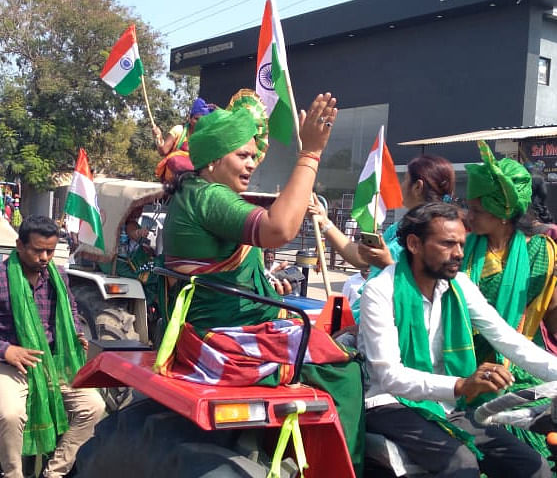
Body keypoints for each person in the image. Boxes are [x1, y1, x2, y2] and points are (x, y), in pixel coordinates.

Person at [160, 91, 367, 472]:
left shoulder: (195, 194)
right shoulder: (209, 197)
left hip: (222, 322)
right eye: (242, 155)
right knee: (343, 368)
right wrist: (311, 154)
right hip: (220, 336)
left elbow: (229, 267)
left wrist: (268, 291)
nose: (252, 163)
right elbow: (279, 229)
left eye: (254, 156)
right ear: (212, 161)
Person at [359, 202, 556, 477]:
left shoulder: (459, 285)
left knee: (532, 466)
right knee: (461, 465)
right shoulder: (380, 290)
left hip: (449, 405)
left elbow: (507, 339)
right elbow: (390, 376)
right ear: (415, 244)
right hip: (392, 404)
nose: (459, 254)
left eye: (462, 244)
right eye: (448, 244)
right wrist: (462, 384)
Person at [0, 215, 104, 478]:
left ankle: (54, 472)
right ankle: (13, 474)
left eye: (50, 251)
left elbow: (70, 308)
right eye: (37, 250)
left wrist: (76, 333)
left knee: (94, 407)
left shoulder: (58, 277)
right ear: (19, 245)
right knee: (10, 414)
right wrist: (5, 350)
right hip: (6, 363)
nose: (44, 258)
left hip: (53, 361)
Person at [461, 141, 557, 461]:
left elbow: (552, 316)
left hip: (518, 367)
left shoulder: (541, 253)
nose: (467, 215)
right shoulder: (458, 249)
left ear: (502, 213)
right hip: (462, 365)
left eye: (476, 210)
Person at [311, 154, 456, 319]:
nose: (401, 186)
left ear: (418, 187)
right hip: (366, 317)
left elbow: (426, 293)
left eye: (405, 180)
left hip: (394, 328)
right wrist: (324, 222)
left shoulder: (440, 238)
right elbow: (361, 258)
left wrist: (387, 264)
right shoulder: (398, 227)